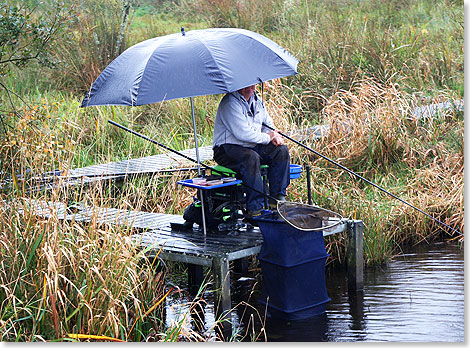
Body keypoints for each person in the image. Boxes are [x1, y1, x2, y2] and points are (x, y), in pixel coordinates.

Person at [212, 84, 290, 216]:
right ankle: (255, 208)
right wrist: (268, 137)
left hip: (251, 146)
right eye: (244, 85)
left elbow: (267, 125)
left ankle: (276, 199)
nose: (249, 88)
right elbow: (243, 134)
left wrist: (274, 135)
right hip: (226, 149)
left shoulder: (257, 101)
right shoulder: (229, 102)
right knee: (250, 158)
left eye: (252, 85)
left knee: (281, 150)